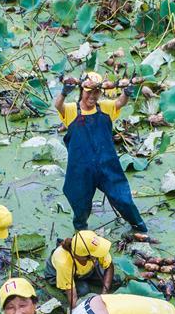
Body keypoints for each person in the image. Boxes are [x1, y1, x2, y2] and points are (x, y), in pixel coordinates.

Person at [53, 71, 147, 234]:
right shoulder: (71, 110)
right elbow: (58, 106)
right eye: (89, 92)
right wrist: (63, 92)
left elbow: (119, 103)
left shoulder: (104, 107)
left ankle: (139, 227)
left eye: (96, 92)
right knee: (80, 203)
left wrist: (126, 92)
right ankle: (81, 232)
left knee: (123, 198)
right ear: (82, 91)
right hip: (81, 169)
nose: (93, 96)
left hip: (107, 165)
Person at [45, 230, 115, 311]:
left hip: (86, 269)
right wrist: (74, 310)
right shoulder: (63, 261)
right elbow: (71, 292)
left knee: (113, 281)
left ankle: (86, 279)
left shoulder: (95, 246)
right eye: (95, 254)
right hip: (57, 273)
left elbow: (109, 266)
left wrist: (104, 294)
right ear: (84, 256)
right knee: (83, 290)